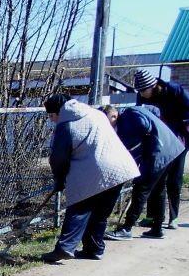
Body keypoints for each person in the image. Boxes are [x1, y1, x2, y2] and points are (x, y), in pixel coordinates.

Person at [41, 93, 140, 263]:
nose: (51, 120)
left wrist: (59, 179)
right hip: (120, 168)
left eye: (51, 116)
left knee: (79, 207)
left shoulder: (66, 124)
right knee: (100, 213)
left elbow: (59, 158)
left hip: (94, 169)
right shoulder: (96, 113)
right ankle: (94, 249)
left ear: (58, 111)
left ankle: (65, 248)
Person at [105, 104, 186, 241]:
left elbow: (137, 139)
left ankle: (127, 228)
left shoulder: (127, 119)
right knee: (159, 189)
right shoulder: (133, 110)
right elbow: (154, 111)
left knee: (141, 188)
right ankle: (157, 228)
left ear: (114, 115)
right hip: (171, 147)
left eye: (108, 121)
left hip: (159, 152)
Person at [133, 67, 189, 229]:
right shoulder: (143, 96)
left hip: (180, 136)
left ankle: (174, 217)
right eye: (139, 91)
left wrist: (173, 126)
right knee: (155, 176)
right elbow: (140, 114)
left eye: (143, 90)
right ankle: (152, 216)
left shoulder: (174, 90)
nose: (141, 94)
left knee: (174, 177)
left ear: (152, 86)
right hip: (158, 138)